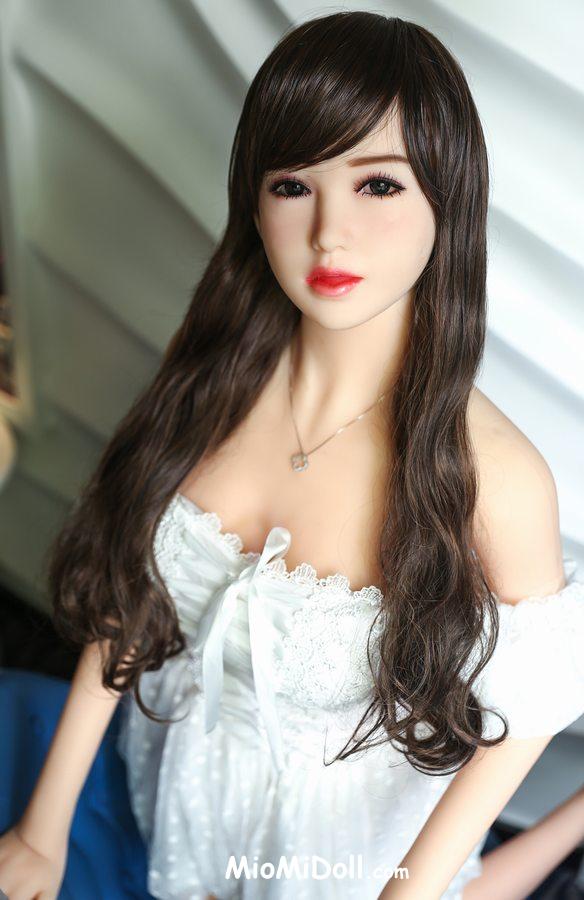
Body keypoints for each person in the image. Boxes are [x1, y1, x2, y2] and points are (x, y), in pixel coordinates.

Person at [0, 11, 583, 900]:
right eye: (292, 185)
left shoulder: (497, 480)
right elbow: (131, 597)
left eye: (377, 185)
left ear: (448, 194)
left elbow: (525, 718)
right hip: (187, 785)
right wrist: (43, 826)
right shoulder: (210, 380)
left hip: (350, 851)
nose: (329, 234)